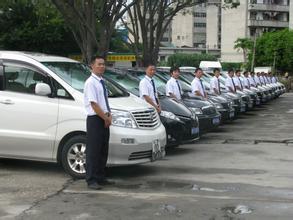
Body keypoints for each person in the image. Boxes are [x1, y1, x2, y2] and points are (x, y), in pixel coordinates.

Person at [83, 55, 114, 190]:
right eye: (99, 64)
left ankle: (100, 176)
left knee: (103, 150)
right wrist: (105, 118)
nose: (102, 66)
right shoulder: (91, 82)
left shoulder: (101, 81)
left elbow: (104, 102)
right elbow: (94, 104)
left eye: (103, 64)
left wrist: (109, 115)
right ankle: (91, 179)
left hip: (104, 118)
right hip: (95, 119)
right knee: (93, 151)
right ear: (92, 65)